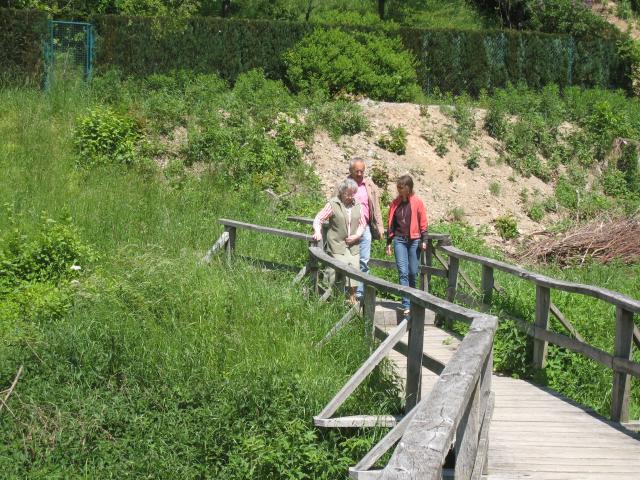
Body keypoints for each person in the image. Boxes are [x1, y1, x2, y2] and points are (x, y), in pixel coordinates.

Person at [313, 178, 366, 305]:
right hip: (337, 244)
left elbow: (362, 224)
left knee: (354, 272)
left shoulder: (358, 205)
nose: (349, 196)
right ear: (341, 192)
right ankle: (332, 300)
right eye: (347, 193)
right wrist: (317, 231)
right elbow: (319, 218)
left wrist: (357, 235)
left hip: (353, 246)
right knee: (335, 271)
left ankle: (352, 302)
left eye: (352, 193)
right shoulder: (333, 204)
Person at [385, 175, 428, 318]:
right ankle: (407, 304)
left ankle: (413, 299)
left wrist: (424, 239)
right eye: (397, 186)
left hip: (414, 240)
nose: (398, 189)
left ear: (408, 187)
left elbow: (423, 222)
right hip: (399, 240)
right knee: (402, 272)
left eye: (401, 187)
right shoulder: (394, 203)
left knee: (412, 271)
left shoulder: (417, 202)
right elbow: (391, 223)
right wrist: (389, 242)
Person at [341, 157, 384, 301]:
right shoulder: (344, 184)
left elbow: (376, 207)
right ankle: (345, 292)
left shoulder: (369, 185)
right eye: (357, 171)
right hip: (348, 228)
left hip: (365, 228)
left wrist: (380, 227)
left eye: (362, 171)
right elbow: (333, 204)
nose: (360, 174)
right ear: (350, 170)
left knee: (364, 261)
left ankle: (359, 294)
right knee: (346, 260)